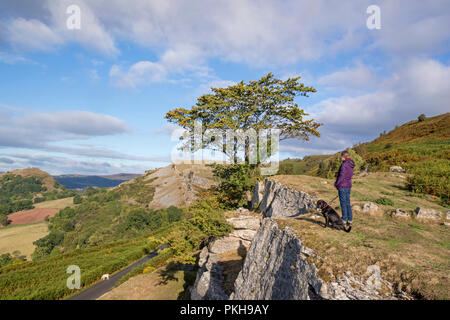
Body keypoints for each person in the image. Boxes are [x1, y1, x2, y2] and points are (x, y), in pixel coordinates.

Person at [334, 150, 355, 226]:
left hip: (342, 185)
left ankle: (344, 220)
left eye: (341, 157)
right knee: (347, 203)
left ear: (343, 156)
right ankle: (350, 220)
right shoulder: (351, 164)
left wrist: (336, 184)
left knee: (343, 203)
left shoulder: (344, 165)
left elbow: (341, 176)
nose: (340, 158)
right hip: (348, 185)